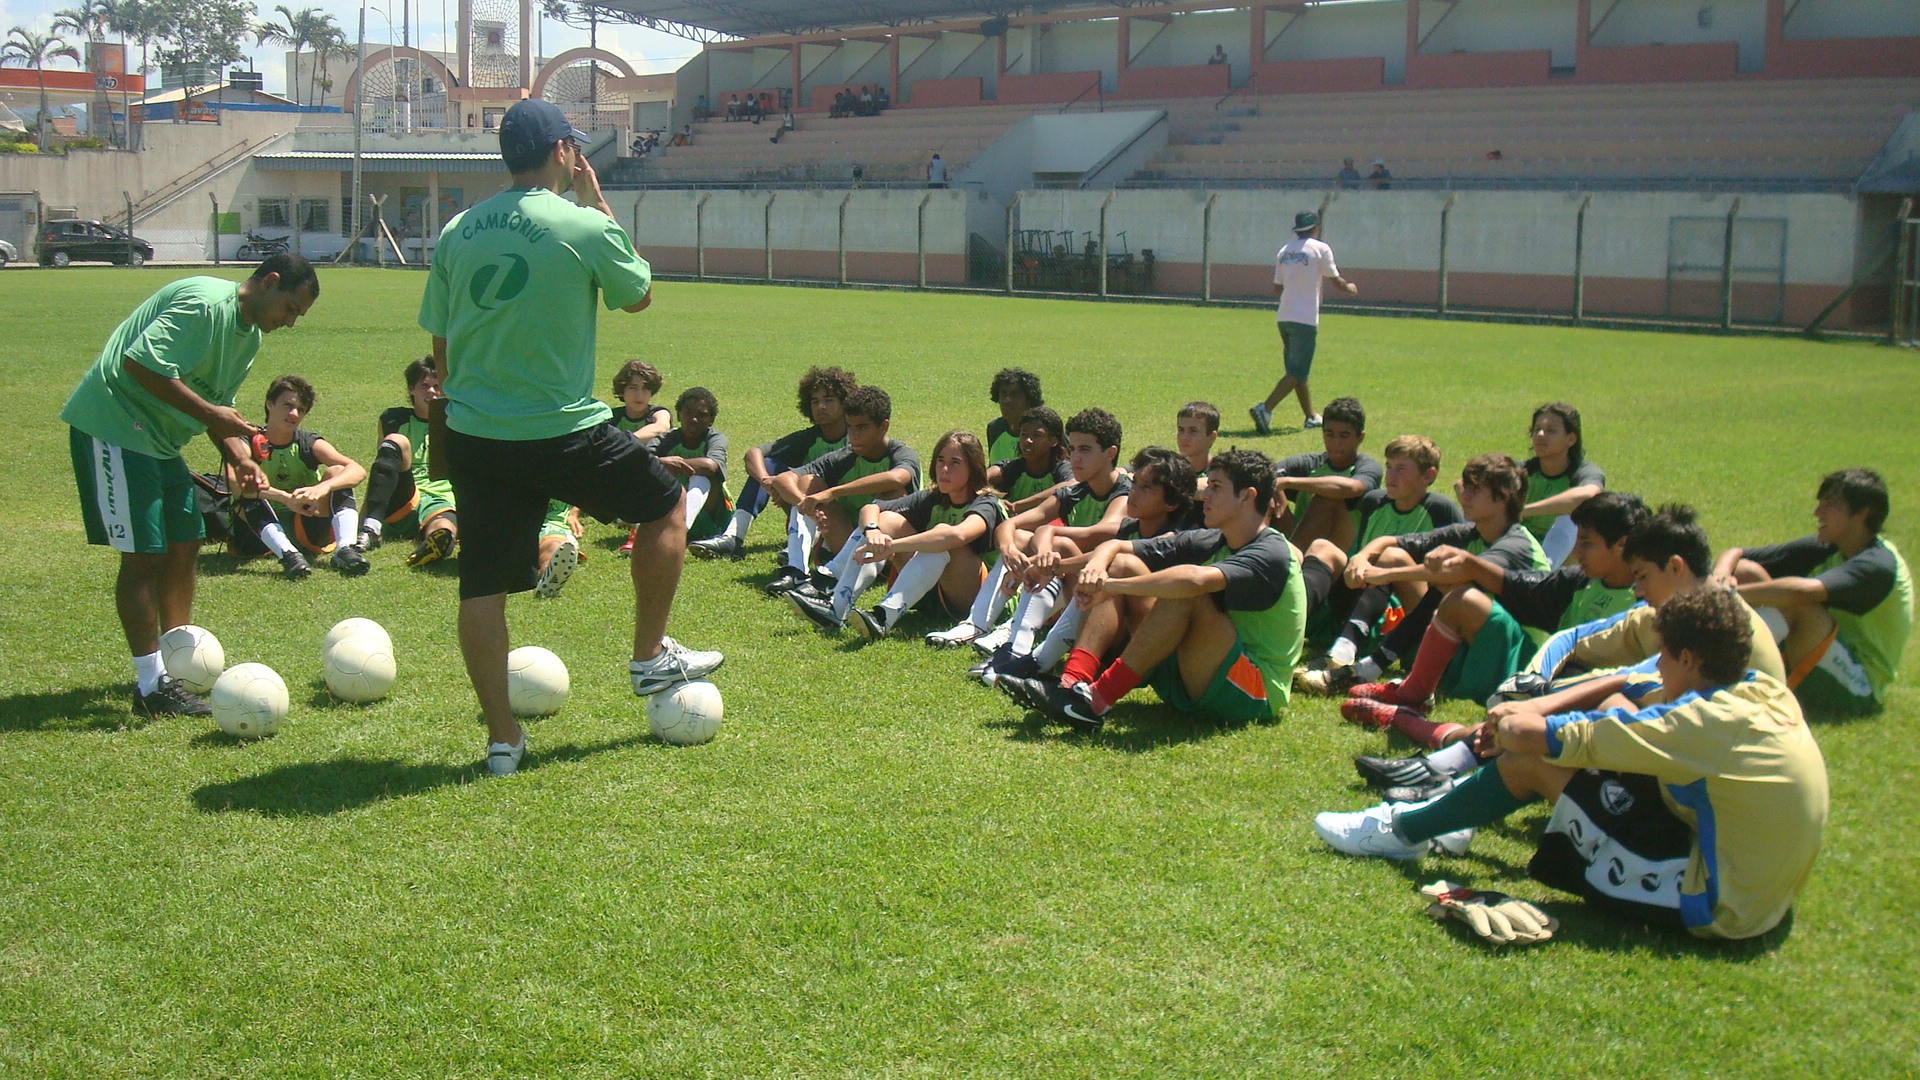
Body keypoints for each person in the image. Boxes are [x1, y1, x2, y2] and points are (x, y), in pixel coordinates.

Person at [419, 97, 722, 777]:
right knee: (665, 503)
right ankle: (648, 659)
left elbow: (439, 345)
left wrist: (458, 419)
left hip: (475, 433)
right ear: (563, 152)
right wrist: (596, 199)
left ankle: (503, 742)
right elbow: (638, 294)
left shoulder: (458, 229)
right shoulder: (581, 223)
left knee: (481, 589)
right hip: (560, 430)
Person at [1315, 586, 1828, 942]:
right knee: (1605, 715)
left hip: (1716, 902)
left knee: (1527, 760)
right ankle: (1454, 816)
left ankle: (1401, 831)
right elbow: (1640, 693)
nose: (1659, 664)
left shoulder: (1698, 724)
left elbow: (1539, 737)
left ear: (1690, 659)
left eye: (1666, 655)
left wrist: (1517, 715)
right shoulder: (1759, 689)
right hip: (1761, 889)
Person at [1357, 503, 1790, 804]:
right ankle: (1441, 763)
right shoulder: (1665, 612)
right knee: (1556, 716)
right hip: (1676, 751)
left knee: (1584, 712)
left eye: (1642, 577)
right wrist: (1535, 680)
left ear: (1675, 568)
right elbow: (1574, 638)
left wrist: (1541, 705)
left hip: (1702, 780)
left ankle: (1440, 765)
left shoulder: (1717, 625)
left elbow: (1634, 680)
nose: (1638, 590)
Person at [60, 254, 319, 717]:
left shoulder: (249, 338)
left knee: (186, 539)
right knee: (144, 553)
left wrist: (240, 459)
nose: (290, 322)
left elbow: (219, 409)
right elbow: (140, 363)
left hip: (158, 441)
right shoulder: (204, 303)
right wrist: (211, 417)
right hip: (115, 425)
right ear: (269, 283)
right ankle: (149, 686)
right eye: (290, 309)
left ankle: (174, 664)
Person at [1000, 449, 1307, 734]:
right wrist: (1067, 568)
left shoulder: (1272, 551)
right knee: (1123, 564)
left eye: (1215, 487)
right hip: (1202, 669)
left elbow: (1195, 581)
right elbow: (1116, 545)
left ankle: (1096, 700)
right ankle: (1071, 685)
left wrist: (1109, 586)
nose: (1205, 494)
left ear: (1247, 497)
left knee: (1187, 590)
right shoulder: (1216, 538)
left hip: (1253, 689)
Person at [1336, 491, 1647, 747]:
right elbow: (1522, 587)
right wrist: (1471, 566)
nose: (1577, 551)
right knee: (1463, 600)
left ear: (1622, 545)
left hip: (1592, 699)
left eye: (1587, 543)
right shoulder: (1580, 579)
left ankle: (1402, 720)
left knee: (1495, 741)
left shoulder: (1647, 600)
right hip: (1542, 678)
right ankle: (1411, 697)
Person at [1316, 453, 1547, 698]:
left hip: (1520, 653)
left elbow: (1460, 572)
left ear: (1504, 497)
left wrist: (1385, 575)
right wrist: (1361, 557)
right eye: (1466, 487)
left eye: (1475, 490)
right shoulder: (1473, 531)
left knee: (1457, 588)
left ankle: (1378, 667)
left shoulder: (1517, 543)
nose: (1464, 496)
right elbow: (1393, 541)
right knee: (1395, 556)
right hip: (1476, 639)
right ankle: (1355, 656)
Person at [976, 446, 1198, 685]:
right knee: (1067, 551)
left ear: (1172, 502)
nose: (1134, 493)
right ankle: (1017, 650)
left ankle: (1039, 661)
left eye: (1146, 488)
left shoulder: (1171, 541)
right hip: (1109, 632)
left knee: (1109, 572)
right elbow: (1049, 530)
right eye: (1135, 483)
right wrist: (1041, 562)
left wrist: (1052, 566)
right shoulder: (1127, 528)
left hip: (1146, 644)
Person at [1715, 468, 1911, 717]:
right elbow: (1738, 555)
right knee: (1747, 571)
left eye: (1829, 505)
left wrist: (1727, 595)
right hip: (1820, 653)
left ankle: (1718, 666)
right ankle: (1718, 662)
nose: (1817, 512)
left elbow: (1804, 593)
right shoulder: (1832, 546)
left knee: (1798, 603)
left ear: (1862, 514)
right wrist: (1721, 576)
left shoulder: (1878, 564)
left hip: (1858, 686)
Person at [941, 408, 1130, 653]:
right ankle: (976, 623)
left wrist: (1048, 539)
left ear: (1110, 453)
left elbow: (1104, 531)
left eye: (1085, 449)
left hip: (1106, 585)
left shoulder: (1125, 491)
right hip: (1068, 578)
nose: (1075, 458)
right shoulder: (1074, 492)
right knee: (1020, 538)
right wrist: (1009, 549)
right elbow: (1010, 524)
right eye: (1072, 449)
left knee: (1056, 546)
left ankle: (1012, 629)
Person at [788, 431, 1007, 638]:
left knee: (941, 535)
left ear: (974, 468)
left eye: (955, 463)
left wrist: (891, 546)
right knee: (886, 521)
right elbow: (871, 508)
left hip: (976, 599)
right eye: (940, 460)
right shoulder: (933, 497)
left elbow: (957, 536)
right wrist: (873, 531)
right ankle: (837, 606)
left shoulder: (986, 503)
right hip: (933, 592)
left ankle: (884, 616)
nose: (944, 469)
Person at [763, 385, 920, 594]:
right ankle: (796, 571)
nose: (854, 436)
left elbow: (898, 477)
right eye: (850, 427)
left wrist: (833, 492)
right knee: (808, 483)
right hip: (846, 543)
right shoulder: (845, 456)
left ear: (883, 427)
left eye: (862, 428)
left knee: (893, 493)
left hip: (887, 552)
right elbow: (784, 479)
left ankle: (832, 575)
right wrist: (806, 504)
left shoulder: (900, 453)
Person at [693, 365, 855, 562]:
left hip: (843, 512)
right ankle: (734, 536)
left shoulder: (856, 438)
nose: (821, 407)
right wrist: (767, 482)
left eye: (829, 400)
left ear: (845, 403)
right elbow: (753, 453)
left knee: (809, 481)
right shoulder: (808, 438)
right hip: (807, 505)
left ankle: (806, 547)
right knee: (768, 464)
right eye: (815, 401)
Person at [229, 374, 369, 579]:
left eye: (301, 410)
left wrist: (323, 488)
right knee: (249, 492)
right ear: (269, 404)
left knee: (337, 472)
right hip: (256, 535)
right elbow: (235, 483)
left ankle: (345, 550)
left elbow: (357, 470)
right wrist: (285, 498)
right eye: (288, 405)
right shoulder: (247, 441)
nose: (294, 414)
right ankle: (289, 556)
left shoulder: (306, 442)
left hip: (305, 526)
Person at [1249, 211, 1357, 436]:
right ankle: (1265, 408)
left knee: (1297, 370)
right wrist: (1350, 288)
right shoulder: (1320, 248)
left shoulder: (1285, 251)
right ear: (1316, 228)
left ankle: (1310, 416)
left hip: (1284, 316)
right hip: (1305, 318)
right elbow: (1335, 279)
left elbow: (1277, 288)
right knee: (1297, 372)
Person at [360, 357, 460, 568]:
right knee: (396, 441)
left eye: (437, 386)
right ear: (411, 389)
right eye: (424, 386)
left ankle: (437, 545)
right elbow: (381, 471)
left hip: (439, 498)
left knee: (444, 527)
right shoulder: (393, 419)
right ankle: (371, 527)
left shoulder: (456, 422)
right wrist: (363, 517)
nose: (431, 392)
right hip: (403, 498)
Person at [1271, 395, 1381, 554]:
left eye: (1344, 436)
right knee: (1263, 489)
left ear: (1360, 437)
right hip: (1300, 541)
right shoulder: (1311, 463)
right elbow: (1264, 473)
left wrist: (1287, 482)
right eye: (1329, 434)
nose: (1336, 442)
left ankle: (1289, 563)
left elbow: (1352, 488)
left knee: (1326, 498)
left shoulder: (1367, 467)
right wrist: (1273, 488)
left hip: (1344, 553)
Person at [632, 386, 731, 550]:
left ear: (711, 420)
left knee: (701, 477)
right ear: (678, 414)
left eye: (702, 415)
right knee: (648, 476)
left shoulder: (715, 438)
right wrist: (663, 463)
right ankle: (650, 526)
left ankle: (682, 529)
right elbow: (642, 463)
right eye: (688, 412)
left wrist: (670, 464)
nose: (694, 419)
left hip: (712, 513)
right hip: (672, 507)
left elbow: (710, 466)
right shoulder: (667, 439)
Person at [1520, 402, 1604, 567]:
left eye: (1551, 431)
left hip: (1566, 556)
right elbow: (1468, 484)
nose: (1541, 435)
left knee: (1571, 516)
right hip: (1520, 547)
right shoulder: (1522, 471)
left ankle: (1543, 572)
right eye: (1537, 430)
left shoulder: (1584, 472)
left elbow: (1587, 496)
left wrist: (1525, 511)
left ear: (1571, 439)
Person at [986, 405, 1071, 515]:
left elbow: (1070, 484)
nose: (1028, 440)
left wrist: (1017, 506)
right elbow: (981, 478)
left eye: (1036, 435)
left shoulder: (1061, 469)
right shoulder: (1013, 469)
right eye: (1024, 434)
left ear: (1053, 441)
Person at [985, 366, 1044, 463]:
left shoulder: (1045, 428)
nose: (1007, 400)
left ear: (1029, 399)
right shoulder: (995, 428)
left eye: (1015, 394)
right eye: (1003, 393)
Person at [610, 359, 672, 443]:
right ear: (622, 391)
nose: (640, 395)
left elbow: (661, 427)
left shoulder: (659, 413)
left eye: (645, 389)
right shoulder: (612, 417)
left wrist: (626, 442)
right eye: (633, 388)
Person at [1175, 401, 1220, 490]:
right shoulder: (1170, 469)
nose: (1184, 437)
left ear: (1212, 437)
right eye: (1181, 430)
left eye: (1193, 431)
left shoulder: (1221, 473)